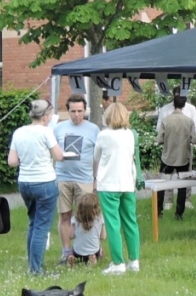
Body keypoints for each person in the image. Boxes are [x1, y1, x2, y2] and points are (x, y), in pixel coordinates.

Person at [8, 99, 64, 275]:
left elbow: (12, 162)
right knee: (41, 226)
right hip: (45, 181)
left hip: (25, 182)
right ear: (46, 116)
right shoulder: (46, 132)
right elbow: (59, 156)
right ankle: (36, 269)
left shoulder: (19, 132)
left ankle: (33, 265)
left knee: (33, 223)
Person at [52, 94, 98, 265]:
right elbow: (52, 152)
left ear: (85, 111)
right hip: (63, 177)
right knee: (64, 215)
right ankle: (66, 251)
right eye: (73, 111)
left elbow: (97, 157)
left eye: (80, 111)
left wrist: (95, 179)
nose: (77, 115)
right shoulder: (59, 128)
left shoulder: (93, 129)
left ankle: (88, 250)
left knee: (86, 216)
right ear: (68, 111)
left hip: (84, 178)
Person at [95, 103, 141, 274]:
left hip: (108, 183)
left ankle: (117, 262)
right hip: (127, 183)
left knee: (113, 224)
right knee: (130, 221)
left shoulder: (103, 135)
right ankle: (134, 260)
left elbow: (96, 156)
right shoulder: (131, 134)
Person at [156, 95, 196, 220]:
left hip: (167, 157)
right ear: (184, 106)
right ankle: (179, 214)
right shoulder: (189, 121)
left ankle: (158, 211)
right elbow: (194, 139)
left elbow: (159, 140)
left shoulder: (166, 120)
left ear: (173, 105)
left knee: (161, 184)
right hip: (183, 158)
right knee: (182, 186)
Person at [69, 194, 104, 266]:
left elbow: (70, 236)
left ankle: (72, 257)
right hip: (94, 251)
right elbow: (103, 237)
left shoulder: (75, 219)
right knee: (100, 251)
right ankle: (93, 258)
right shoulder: (99, 218)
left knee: (73, 250)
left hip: (78, 252)